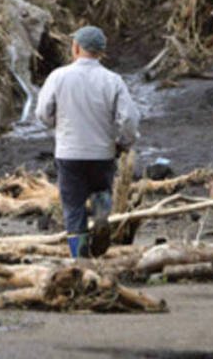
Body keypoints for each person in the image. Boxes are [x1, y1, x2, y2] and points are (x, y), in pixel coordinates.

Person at [35, 25, 139, 258]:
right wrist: (124, 143)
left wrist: (56, 123)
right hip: (102, 153)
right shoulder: (113, 80)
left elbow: (42, 112)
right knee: (102, 191)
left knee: (73, 209)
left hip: (69, 153)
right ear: (101, 52)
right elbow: (129, 119)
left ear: (75, 47)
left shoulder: (58, 77)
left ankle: (81, 261)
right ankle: (101, 217)